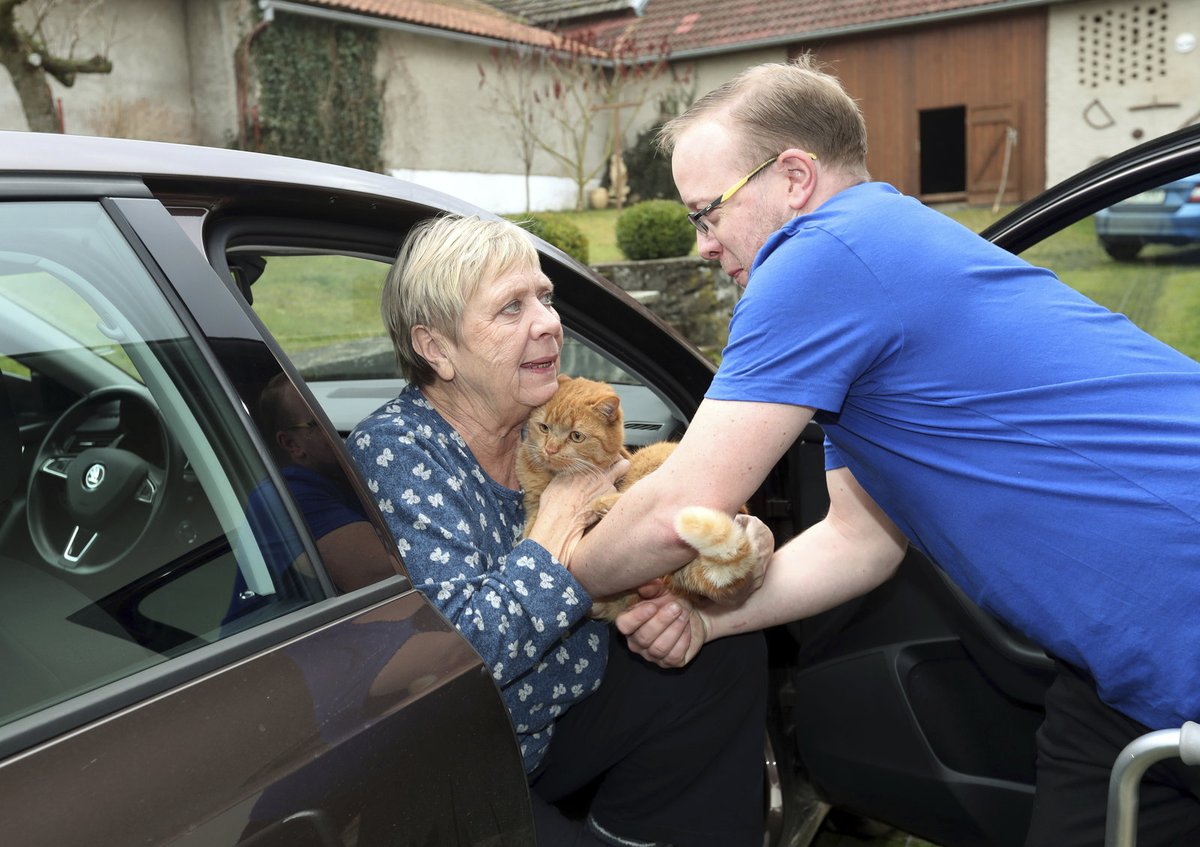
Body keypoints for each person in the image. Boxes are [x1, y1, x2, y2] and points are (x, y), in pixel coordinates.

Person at [567, 57, 1200, 847]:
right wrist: (703, 619)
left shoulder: (821, 256)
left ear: (793, 176)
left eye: (707, 213)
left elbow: (677, 512)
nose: (702, 244)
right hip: (1120, 681)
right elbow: (859, 542)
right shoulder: (878, 251)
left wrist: (555, 584)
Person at [347, 213, 772, 847]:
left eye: (544, 297)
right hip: (475, 759)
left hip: (565, 696)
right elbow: (459, 657)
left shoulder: (542, 416)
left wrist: (730, 544)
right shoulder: (398, 451)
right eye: (511, 308)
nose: (548, 321)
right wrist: (560, 520)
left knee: (726, 652)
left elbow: (645, 501)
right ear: (435, 348)